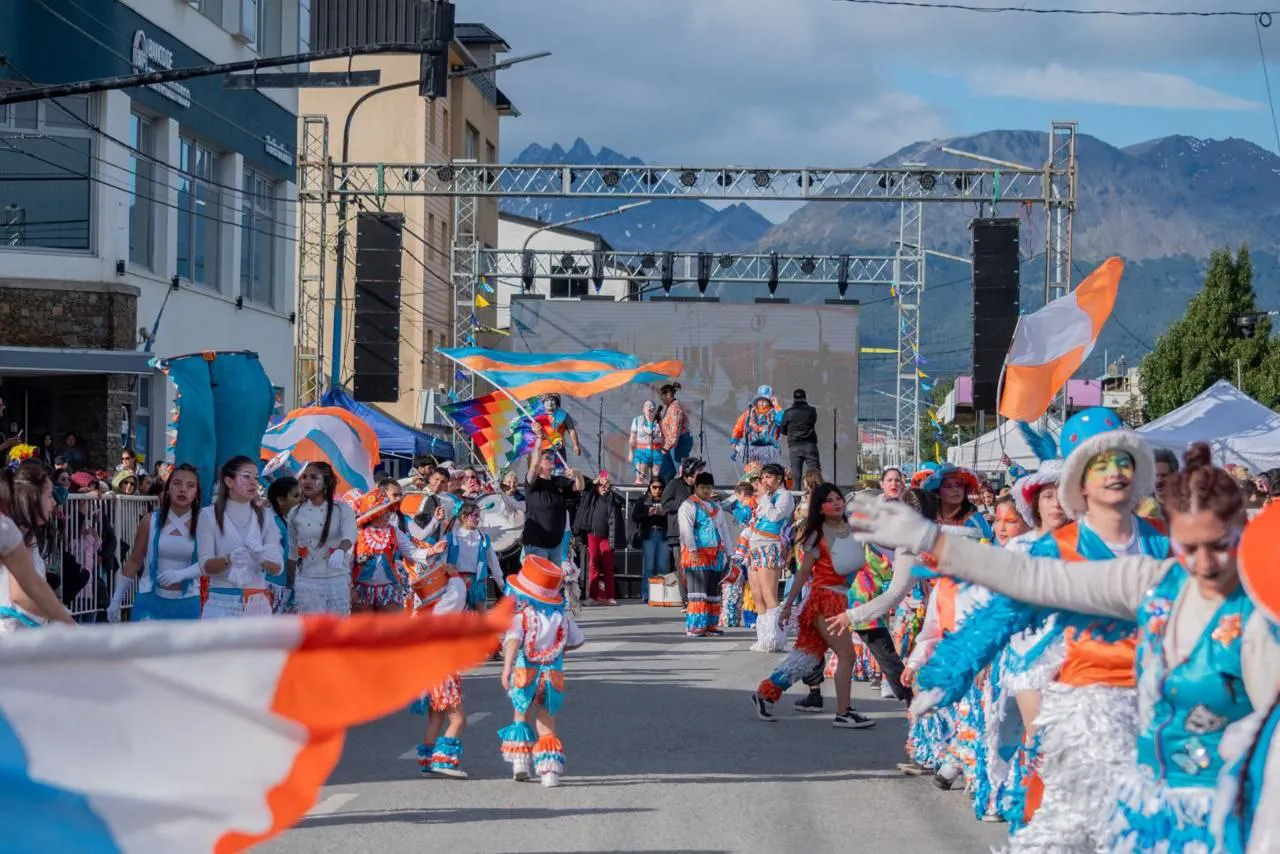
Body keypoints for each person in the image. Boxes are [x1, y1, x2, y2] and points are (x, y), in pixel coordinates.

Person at [849, 441, 1280, 852]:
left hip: (1229, 818)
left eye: (1220, 546)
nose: (1204, 563)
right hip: (1146, 801)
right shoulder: (1154, 581)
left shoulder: (1260, 620)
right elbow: (1030, 579)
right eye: (1190, 547)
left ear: (1243, 533)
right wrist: (931, 540)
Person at [754, 483, 893, 727]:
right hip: (824, 601)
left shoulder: (853, 528)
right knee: (846, 655)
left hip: (839, 598)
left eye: (838, 498)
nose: (837, 503)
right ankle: (843, 713)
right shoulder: (817, 536)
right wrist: (787, 605)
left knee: (807, 656)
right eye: (829, 500)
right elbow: (803, 572)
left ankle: (765, 693)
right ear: (820, 507)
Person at [498, 555, 586, 788]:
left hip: (526, 670)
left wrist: (506, 668)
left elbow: (513, 641)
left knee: (521, 714)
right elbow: (579, 640)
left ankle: (520, 764)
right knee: (546, 723)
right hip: (551, 673)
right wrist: (560, 649)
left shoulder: (522, 616)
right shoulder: (561, 618)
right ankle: (549, 773)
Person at [111, 463, 203, 622]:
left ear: (196, 493)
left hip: (187, 602)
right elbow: (134, 561)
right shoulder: (150, 521)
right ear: (167, 488)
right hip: (150, 600)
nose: (183, 490)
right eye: (177, 483)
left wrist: (181, 575)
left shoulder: (204, 523)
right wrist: (116, 598)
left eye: (190, 486)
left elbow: (208, 563)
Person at [196, 456, 283, 618]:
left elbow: (278, 568)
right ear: (229, 482)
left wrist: (261, 558)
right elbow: (204, 566)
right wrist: (228, 559)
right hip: (222, 603)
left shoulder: (266, 517)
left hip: (256, 604)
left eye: (256, 478)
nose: (253, 483)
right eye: (246, 476)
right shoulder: (208, 515)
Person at [0, 462, 77, 630]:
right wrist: (63, 618)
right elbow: (21, 593)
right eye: (49, 496)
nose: (54, 503)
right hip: (13, 635)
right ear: (32, 499)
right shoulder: (18, 534)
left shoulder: (25, 533)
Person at [289, 462, 357, 615]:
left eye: (314, 477)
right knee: (312, 630)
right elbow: (292, 550)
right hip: (307, 579)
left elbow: (350, 535)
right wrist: (289, 584)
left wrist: (341, 550)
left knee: (336, 630)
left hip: (336, 578)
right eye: (304, 477)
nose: (307, 481)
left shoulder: (342, 509)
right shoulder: (295, 512)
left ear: (326, 482)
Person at [745, 462, 796, 652]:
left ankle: (775, 638)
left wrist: (764, 497)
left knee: (769, 594)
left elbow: (774, 517)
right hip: (755, 544)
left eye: (768, 477)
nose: (764, 481)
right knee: (757, 594)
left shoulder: (785, 496)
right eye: (763, 477)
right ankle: (763, 637)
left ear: (779, 478)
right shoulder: (767, 497)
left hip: (769, 544)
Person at [678, 472, 732, 637]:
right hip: (697, 554)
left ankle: (710, 624)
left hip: (715, 555)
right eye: (703, 487)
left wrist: (729, 553)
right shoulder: (688, 505)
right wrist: (692, 549)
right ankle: (695, 626)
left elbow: (724, 530)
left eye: (709, 487)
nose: (707, 491)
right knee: (698, 590)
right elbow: (686, 529)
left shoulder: (716, 507)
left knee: (712, 591)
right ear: (696, 487)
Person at [522, 450, 584, 564]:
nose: (552, 459)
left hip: (555, 544)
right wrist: (539, 439)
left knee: (554, 581)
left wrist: (578, 474)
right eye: (547, 458)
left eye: (552, 456)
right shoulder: (532, 482)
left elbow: (579, 487)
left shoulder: (558, 481)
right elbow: (534, 465)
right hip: (536, 543)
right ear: (538, 462)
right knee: (541, 580)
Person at [574, 471, 625, 605]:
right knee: (593, 566)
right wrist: (595, 482)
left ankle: (610, 597)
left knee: (608, 567)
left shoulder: (612, 497)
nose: (603, 488)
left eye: (605, 486)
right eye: (601, 486)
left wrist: (610, 487)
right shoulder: (591, 496)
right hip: (593, 536)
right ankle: (592, 597)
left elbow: (622, 500)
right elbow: (585, 486)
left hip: (607, 537)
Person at [663, 457, 705, 611]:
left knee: (697, 566)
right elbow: (665, 503)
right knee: (682, 566)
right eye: (697, 474)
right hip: (677, 532)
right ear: (688, 473)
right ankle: (686, 599)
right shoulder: (674, 484)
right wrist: (685, 502)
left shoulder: (699, 487)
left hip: (697, 532)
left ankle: (697, 597)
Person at [443, 500, 500, 612]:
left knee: (481, 617)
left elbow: (493, 562)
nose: (479, 519)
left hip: (478, 583)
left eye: (479, 516)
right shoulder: (450, 538)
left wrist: (502, 584)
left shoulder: (483, 538)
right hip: (457, 582)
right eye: (475, 516)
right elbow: (441, 561)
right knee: (457, 618)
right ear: (464, 517)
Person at [632, 477, 669, 604]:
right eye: (654, 487)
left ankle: (661, 595)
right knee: (648, 567)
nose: (657, 490)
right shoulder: (643, 500)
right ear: (649, 487)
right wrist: (647, 514)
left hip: (663, 535)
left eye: (660, 488)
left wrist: (665, 514)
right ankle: (646, 594)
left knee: (662, 567)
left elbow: (675, 517)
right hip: (649, 535)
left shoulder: (666, 500)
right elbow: (634, 517)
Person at [731, 385, 784, 468]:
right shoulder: (748, 414)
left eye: (765, 400)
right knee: (751, 476)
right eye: (760, 400)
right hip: (751, 451)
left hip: (768, 452)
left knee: (767, 474)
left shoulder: (775, 413)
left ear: (770, 401)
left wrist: (777, 406)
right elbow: (738, 428)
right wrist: (734, 443)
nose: (762, 403)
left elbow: (782, 421)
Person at [780, 389, 820, 479]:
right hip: (810, 445)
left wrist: (791, 432)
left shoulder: (788, 412)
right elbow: (812, 422)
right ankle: (816, 492)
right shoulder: (812, 411)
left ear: (793, 399)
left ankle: (796, 492)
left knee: (796, 475)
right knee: (814, 474)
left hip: (794, 446)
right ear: (805, 398)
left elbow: (782, 429)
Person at [658, 382, 692, 481]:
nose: (661, 399)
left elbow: (674, 431)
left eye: (662, 396)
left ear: (668, 394)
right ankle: (666, 493)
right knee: (665, 473)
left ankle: (683, 494)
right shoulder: (670, 407)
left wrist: (666, 448)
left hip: (676, 444)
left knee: (681, 473)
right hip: (671, 445)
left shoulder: (675, 408)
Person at [629, 400, 665, 484]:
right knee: (640, 478)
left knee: (656, 479)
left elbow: (665, 436)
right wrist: (630, 452)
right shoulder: (637, 420)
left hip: (656, 451)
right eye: (647, 406)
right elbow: (632, 437)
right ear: (643, 409)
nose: (650, 408)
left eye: (652, 407)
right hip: (641, 452)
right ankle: (639, 495)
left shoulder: (660, 421)